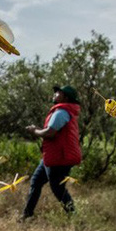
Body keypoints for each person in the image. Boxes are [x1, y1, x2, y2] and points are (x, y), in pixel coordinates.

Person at [22, 85, 82, 219]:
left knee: (58, 189)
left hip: (59, 159)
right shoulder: (63, 111)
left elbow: (50, 133)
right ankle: (27, 216)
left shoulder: (61, 112)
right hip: (51, 157)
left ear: (65, 97)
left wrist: (34, 131)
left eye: (58, 92)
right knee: (36, 182)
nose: (54, 94)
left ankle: (75, 219)